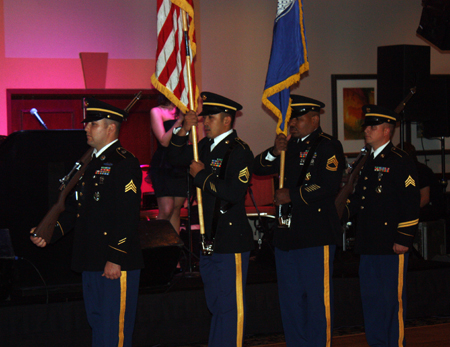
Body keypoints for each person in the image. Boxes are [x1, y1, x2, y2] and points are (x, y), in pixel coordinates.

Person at [30, 98, 144, 347]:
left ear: (110, 128)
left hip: (115, 260)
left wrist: (115, 257)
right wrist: (49, 233)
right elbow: (76, 209)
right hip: (91, 257)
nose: (86, 128)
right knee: (98, 322)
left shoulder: (124, 162)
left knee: (115, 329)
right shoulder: (90, 163)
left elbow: (127, 214)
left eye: (93, 124)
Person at [253, 95, 345, 347]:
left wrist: (291, 195)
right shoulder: (289, 145)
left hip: (316, 235)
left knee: (317, 300)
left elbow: (328, 185)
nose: (292, 123)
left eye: (298, 118)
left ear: (314, 120)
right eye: (291, 118)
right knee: (291, 301)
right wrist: (274, 151)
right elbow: (256, 167)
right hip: (287, 237)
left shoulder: (328, 146)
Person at [166, 92, 254, 347]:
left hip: (230, 239)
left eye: (211, 118)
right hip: (208, 239)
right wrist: (184, 128)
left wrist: (203, 176)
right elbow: (174, 158)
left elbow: (234, 193)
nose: (205, 122)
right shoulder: (203, 146)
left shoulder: (239, 151)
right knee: (216, 303)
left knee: (231, 305)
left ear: (227, 121)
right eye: (204, 118)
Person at [346, 105, 420, 346]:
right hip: (369, 242)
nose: (366, 130)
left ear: (387, 131)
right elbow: (361, 199)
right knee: (372, 301)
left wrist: (404, 238)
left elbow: (411, 202)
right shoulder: (368, 159)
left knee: (392, 301)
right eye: (367, 126)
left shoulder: (400, 161)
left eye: (372, 127)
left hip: (391, 243)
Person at [149, 94, 188, 234]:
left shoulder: (183, 110)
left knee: (177, 209)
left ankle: (173, 249)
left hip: (180, 163)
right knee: (166, 209)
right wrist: (180, 121)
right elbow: (164, 141)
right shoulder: (157, 111)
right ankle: (157, 246)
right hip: (164, 164)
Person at [398, 142, 445, 222]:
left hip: (430, 210)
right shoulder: (409, 170)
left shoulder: (420, 171)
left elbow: (425, 199)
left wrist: (408, 211)